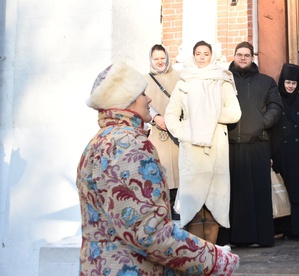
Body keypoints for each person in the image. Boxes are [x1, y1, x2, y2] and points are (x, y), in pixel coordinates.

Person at [77, 61, 239, 275]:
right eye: (143, 93)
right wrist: (216, 260)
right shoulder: (129, 144)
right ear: (127, 101)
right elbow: (148, 232)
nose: (149, 98)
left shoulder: (97, 142)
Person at [164, 40, 242, 244]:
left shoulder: (222, 80)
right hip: (192, 148)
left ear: (212, 55)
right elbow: (171, 114)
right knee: (193, 201)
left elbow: (235, 113)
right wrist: (183, 131)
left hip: (216, 145)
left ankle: (212, 253)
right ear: (193, 55)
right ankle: (196, 255)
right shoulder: (184, 82)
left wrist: (210, 114)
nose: (201, 57)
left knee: (215, 200)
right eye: (198, 53)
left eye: (205, 53)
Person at [224, 41, 283, 247]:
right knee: (234, 194)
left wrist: (261, 123)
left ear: (252, 58)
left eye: (246, 55)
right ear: (233, 56)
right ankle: (234, 238)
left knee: (259, 192)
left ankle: (261, 238)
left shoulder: (266, 82)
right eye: (239, 54)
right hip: (230, 144)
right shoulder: (224, 80)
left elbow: (276, 107)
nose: (242, 58)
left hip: (258, 143)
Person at [271, 63, 299, 241]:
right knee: (283, 191)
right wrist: (269, 154)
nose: (290, 86)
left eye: (294, 83)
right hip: (280, 152)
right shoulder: (274, 101)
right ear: (282, 82)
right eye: (288, 82)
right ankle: (286, 229)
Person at [145, 44, 181, 220]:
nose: (160, 62)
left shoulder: (179, 77)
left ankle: (177, 207)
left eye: (162, 58)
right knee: (162, 169)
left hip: (176, 132)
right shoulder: (145, 80)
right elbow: (143, 102)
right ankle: (162, 209)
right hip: (158, 132)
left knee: (178, 169)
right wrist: (156, 117)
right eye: (156, 58)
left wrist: (175, 120)